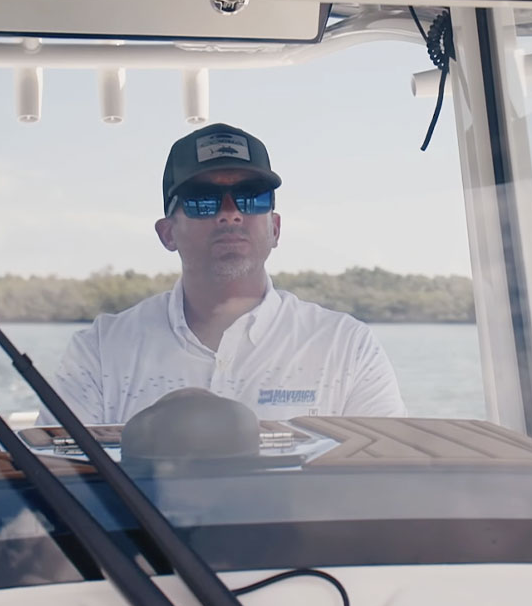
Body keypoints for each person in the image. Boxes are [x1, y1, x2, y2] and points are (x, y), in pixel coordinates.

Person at [50, 122, 405, 425]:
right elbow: (61, 482)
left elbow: (389, 480)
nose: (230, 213)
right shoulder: (100, 351)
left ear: (275, 228)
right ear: (167, 233)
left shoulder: (346, 347)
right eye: (203, 198)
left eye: (252, 197)